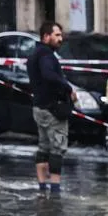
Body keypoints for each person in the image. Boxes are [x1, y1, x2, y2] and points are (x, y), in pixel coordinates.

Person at [27, 21, 75, 194]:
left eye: (61, 35)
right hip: (53, 110)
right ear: (46, 36)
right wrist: (68, 87)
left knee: (43, 146)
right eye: (57, 35)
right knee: (57, 149)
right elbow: (48, 75)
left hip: (39, 108)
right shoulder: (47, 55)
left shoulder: (34, 54)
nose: (60, 39)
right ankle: (55, 190)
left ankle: (42, 188)